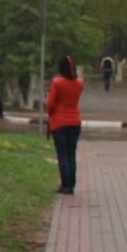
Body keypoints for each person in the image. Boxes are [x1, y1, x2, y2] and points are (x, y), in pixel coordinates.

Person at [47, 54, 85, 195]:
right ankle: (71, 184)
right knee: (71, 154)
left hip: (59, 122)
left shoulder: (57, 82)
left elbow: (50, 104)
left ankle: (65, 185)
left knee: (62, 154)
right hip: (75, 121)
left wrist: (51, 113)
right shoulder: (80, 83)